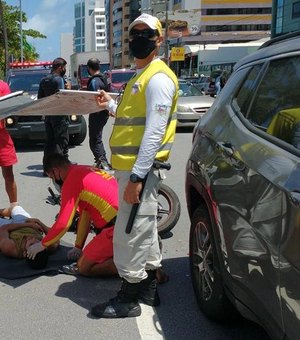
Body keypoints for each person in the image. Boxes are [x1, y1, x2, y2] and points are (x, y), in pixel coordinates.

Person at [90, 13, 178, 318]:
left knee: (129, 233)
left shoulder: (158, 78)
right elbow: (133, 119)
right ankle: (149, 288)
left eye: (146, 33)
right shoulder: (140, 77)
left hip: (140, 171)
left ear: (159, 38)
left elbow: (154, 132)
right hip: (132, 169)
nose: (139, 39)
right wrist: (110, 105)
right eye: (134, 34)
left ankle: (128, 298)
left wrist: (137, 177)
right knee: (146, 229)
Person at [26, 153, 119, 277]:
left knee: (83, 267)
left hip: (116, 229)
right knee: (89, 255)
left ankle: (133, 265)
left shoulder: (71, 182)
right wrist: (78, 246)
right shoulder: (85, 170)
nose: (54, 181)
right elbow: (86, 214)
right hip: (125, 220)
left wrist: (43, 244)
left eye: (51, 178)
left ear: (55, 171)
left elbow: (63, 223)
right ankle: (128, 257)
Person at [38, 57, 70, 168]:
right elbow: (61, 97)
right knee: (61, 141)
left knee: (49, 142)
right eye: (64, 67)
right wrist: (68, 90)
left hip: (48, 115)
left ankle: (47, 167)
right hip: (59, 115)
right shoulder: (59, 80)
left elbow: (40, 99)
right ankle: (61, 167)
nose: (65, 69)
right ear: (60, 67)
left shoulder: (44, 80)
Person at [86, 58, 111, 170]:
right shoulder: (105, 78)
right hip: (104, 111)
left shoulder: (94, 81)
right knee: (97, 137)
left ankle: (103, 162)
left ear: (89, 68)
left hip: (97, 112)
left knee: (95, 139)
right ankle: (101, 161)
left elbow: (94, 98)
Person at [0, 80, 18, 210]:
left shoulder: (3, 86)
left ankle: (14, 207)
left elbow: (9, 109)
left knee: (8, 175)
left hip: (1, 137)